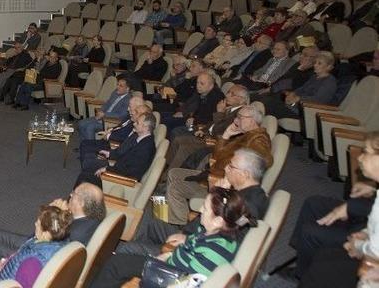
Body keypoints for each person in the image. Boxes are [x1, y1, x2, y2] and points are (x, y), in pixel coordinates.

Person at [120, 148, 269, 257]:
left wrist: (216, 192)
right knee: (147, 221)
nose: (225, 168)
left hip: (194, 248)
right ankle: (138, 258)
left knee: (128, 249)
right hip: (190, 233)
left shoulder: (250, 203)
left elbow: (225, 237)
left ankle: (136, 258)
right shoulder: (242, 192)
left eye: (231, 166)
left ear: (245, 174)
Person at [92, 187, 251, 287]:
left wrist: (161, 260)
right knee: (119, 262)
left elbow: (184, 280)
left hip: (168, 276)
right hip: (171, 263)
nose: (201, 209)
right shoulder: (220, 234)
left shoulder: (214, 252)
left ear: (218, 220)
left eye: (206, 208)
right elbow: (195, 245)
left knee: (115, 264)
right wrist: (178, 246)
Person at [0, 183, 106, 281]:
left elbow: (40, 239)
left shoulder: (73, 232)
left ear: (81, 203)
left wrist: (53, 212)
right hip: (40, 245)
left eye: (73, 194)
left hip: (31, 249)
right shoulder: (90, 221)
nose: (70, 195)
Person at [165, 105, 272, 225]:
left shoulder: (259, 140)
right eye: (237, 117)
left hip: (221, 185)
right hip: (215, 174)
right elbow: (218, 155)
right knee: (174, 173)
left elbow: (264, 161)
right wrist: (226, 135)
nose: (236, 121)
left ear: (252, 120)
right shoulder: (244, 135)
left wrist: (230, 176)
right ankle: (176, 211)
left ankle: (179, 224)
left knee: (175, 187)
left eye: (240, 117)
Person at [299, 131, 379, 288]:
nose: (360, 158)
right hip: (365, 232)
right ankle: (302, 267)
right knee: (313, 203)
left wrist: (358, 245)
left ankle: (304, 273)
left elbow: (375, 251)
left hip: (370, 263)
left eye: (366, 153)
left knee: (322, 261)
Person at [0, 205, 73, 288]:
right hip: (2, 273)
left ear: (46, 234)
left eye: (38, 223)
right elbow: (19, 255)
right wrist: (2, 262)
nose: (35, 224)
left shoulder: (32, 264)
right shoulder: (55, 242)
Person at [289, 181, 376, 279]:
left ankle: (304, 278)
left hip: (371, 234)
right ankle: (303, 257)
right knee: (313, 203)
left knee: (310, 233)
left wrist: (352, 208)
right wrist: (374, 189)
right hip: (368, 215)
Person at [166, 84, 249, 169]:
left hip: (214, 142)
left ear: (242, 100)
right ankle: (166, 167)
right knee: (178, 139)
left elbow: (220, 131)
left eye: (232, 94)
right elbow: (212, 123)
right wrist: (203, 129)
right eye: (228, 92)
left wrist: (219, 113)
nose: (227, 95)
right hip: (205, 134)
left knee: (183, 146)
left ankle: (171, 172)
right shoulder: (230, 108)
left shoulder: (241, 114)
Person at [76, 112, 156, 187]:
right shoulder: (141, 137)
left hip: (121, 178)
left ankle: (84, 192)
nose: (134, 123)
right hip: (118, 167)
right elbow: (125, 153)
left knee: (86, 169)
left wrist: (107, 169)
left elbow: (131, 171)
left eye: (137, 123)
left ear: (146, 127)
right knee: (88, 160)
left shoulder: (146, 148)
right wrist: (110, 154)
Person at [257, 51, 338, 121]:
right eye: (315, 62)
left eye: (319, 63)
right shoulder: (314, 76)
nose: (315, 65)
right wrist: (292, 94)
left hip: (306, 112)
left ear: (329, 67)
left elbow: (318, 100)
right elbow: (302, 89)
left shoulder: (329, 82)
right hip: (295, 105)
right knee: (266, 101)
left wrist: (297, 98)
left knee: (268, 105)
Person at [77, 76, 131, 141]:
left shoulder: (129, 100)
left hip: (112, 122)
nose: (117, 87)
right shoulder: (115, 92)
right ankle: (84, 146)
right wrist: (101, 111)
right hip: (102, 116)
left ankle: (91, 149)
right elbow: (107, 103)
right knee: (81, 123)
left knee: (89, 127)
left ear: (127, 89)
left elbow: (121, 115)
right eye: (117, 84)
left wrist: (104, 114)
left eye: (121, 86)